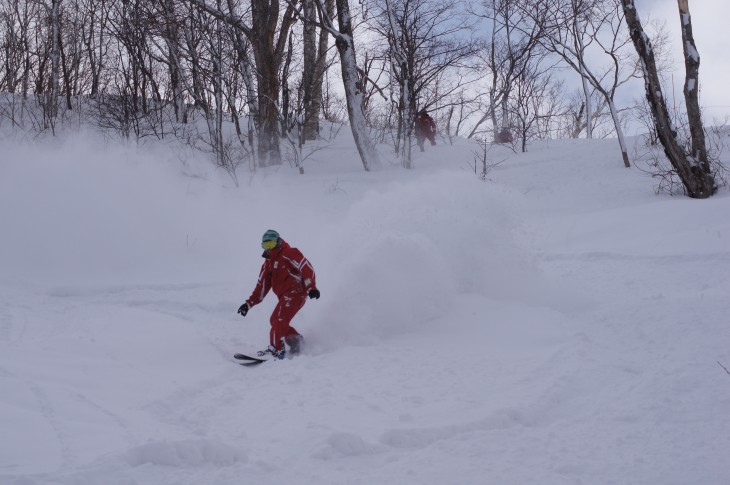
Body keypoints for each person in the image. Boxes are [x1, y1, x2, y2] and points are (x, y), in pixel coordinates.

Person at [237, 230, 320, 359]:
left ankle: (276, 350)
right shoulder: (268, 264)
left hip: (296, 292)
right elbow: (261, 287)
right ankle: (296, 341)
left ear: (278, 241)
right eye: (265, 245)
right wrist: (248, 304)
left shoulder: (289, 253)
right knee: (274, 320)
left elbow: (306, 268)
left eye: (271, 244)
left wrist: (311, 287)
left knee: (279, 320)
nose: (269, 248)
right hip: (285, 296)